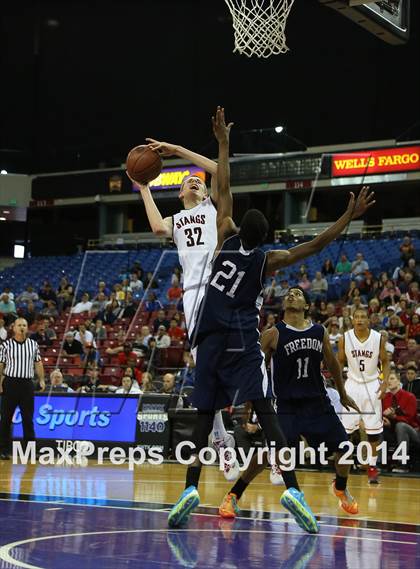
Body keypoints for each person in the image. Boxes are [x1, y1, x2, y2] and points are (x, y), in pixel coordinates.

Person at [167, 105, 374, 532]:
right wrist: (346, 219)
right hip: (242, 338)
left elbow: (223, 186)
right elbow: (313, 247)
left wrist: (224, 143)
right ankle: (293, 489)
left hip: (207, 336)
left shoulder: (223, 234)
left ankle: (190, 487)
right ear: (264, 238)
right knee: (266, 409)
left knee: (205, 414)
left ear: (239, 227)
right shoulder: (268, 260)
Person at [133, 108, 238, 478]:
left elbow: (216, 167)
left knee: (234, 364)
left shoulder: (212, 207)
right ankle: (223, 440)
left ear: (205, 192)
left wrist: (175, 149)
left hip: (223, 287)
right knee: (207, 369)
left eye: (199, 182)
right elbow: (158, 226)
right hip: (193, 296)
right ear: (179, 193)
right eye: (187, 183)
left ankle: (250, 434)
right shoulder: (177, 220)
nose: (194, 182)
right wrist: (144, 187)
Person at [219, 286, 360, 519]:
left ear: (306, 306)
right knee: (268, 453)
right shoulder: (273, 334)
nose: (292, 295)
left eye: (298, 294)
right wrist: (253, 404)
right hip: (286, 405)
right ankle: (233, 495)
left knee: (346, 450)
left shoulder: (319, 331)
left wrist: (343, 393)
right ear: (284, 305)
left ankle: (341, 488)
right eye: (289, 294)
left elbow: (333, 362)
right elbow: (256, 371)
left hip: (318, 403)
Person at [338, 307, 390, 484]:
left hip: (372, 385)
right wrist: (339, 386)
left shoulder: (378, 338)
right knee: (345, 431)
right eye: (356, 317)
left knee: (373, 431)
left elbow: (385, 362)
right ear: (352, 320)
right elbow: (339, 363)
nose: (359, 320)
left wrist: (384, 383)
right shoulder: (345, 338)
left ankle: (372, 467)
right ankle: (342, 469)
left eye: (363, 317)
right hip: (352, 385)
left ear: (369, 320)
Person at [0, 318, 45, 460]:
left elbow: (38, 363)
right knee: (6, 419)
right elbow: (0, 365)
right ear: (13, 328)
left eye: (24, 325)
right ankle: (3, 450)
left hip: (27, 384)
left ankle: (30, 451)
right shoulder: (6, 345)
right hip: (10, 383)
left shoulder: (33, 344)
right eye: (19, 325)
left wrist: (42, 379)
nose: (22, 327)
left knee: (28, 418)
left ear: (27, 328)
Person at [382, 371, 419, 473]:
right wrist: (385, 420)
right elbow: (381, 414)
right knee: (378, 426)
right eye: (387, 379)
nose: (389, 381)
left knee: (401, 426)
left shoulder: (410, 396)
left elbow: (410, 419)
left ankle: (402, 464)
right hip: (391, 429)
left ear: (399, 381)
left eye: (392, 379)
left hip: (412, 431)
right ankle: (379, 463)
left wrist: (394, 417)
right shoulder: (384, 398)